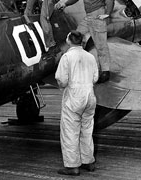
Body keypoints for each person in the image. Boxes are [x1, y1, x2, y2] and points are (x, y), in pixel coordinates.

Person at [56, 0, 115, 83]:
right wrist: (65, 4)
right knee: (75, 36)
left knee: (101, 45)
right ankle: (77, 66)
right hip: (88, 17)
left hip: (98, 16)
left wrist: (107, 14)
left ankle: (105, 72)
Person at [55, 30, 99, 176]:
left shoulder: (67, 57)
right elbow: (95, 78)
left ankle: (72, 166)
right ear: (81, 42)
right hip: (90, 95)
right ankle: (89, 162)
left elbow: (61, 79)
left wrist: (65, 87)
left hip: (74, 96)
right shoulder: (90, 56)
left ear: (68, 41)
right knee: (87, 129)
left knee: (70, 131)